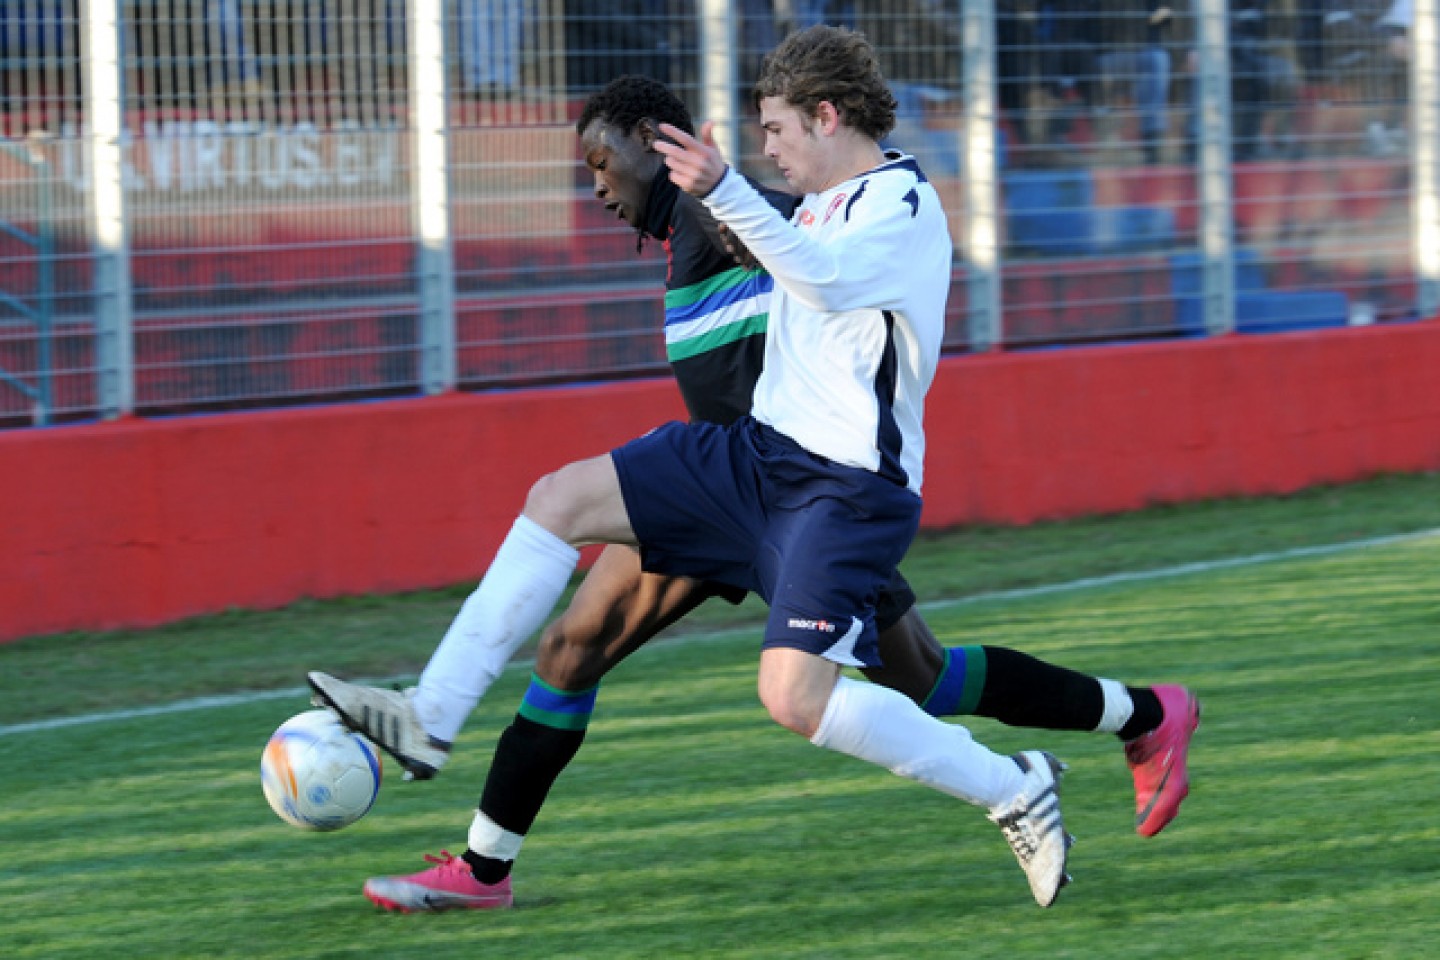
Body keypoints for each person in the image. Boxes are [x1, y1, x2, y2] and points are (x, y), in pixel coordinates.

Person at [310, 42, 1197, 912]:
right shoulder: (742, 220)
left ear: (658, 146)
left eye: (601, 163)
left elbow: (813, 274)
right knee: (570, 599)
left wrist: (725, 191)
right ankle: (460, 807)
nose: (594, 188)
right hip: (740, 476)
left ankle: (1127, 723)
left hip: (821, 496)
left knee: (912, 681)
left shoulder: (760, 213)